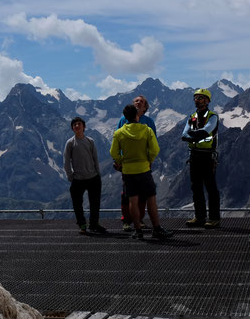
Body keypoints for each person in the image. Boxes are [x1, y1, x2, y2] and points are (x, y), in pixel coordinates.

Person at [110, 104, 174, 240]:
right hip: (144, 169)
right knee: (151, 199)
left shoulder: (119, 133)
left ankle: (137, 230)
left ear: (125, 117)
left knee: (132, 200)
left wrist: (122, 161)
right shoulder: (147, 130)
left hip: (128, 171)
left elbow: (113, 152)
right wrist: (148, 159)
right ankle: (156, 228)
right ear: (137, 116)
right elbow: (155, 149)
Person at [115, 95, 158, 231]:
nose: (139, 103)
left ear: (145, 107)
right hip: (137, 164)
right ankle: (127, 220)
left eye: (142, 102)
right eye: (136, 101)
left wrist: (120, 160)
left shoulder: (149, 122)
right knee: (129, 195)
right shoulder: (124, 120)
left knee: (137, 195)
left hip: (132, 165)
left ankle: (138, 221)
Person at [181, 88, 221, 228]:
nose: (198, 100)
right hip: (194, 156)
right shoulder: (191, 117)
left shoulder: (213, 116)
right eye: (196, 98)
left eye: (201, 98)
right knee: (196, 187)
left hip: (208, 156)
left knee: (211, 187)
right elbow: (183, 135)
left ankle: (214, 218)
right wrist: (195, 134)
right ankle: (200, 217)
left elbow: (205, 132)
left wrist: (192, 134)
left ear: (207, 100)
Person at [64, 117, 106, 234]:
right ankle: (82, 225)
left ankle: (94, 224)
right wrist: (70, 175)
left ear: (84, 127)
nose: (77, 126)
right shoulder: (70, 143)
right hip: (78, 179)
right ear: (72, 128)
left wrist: (98, 173)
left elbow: (95, 159)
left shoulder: (90, 141)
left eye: (79, 124)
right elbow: (66, 161)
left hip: (93, 177)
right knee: (77, 204)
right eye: (75, 125)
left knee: (95, 203)